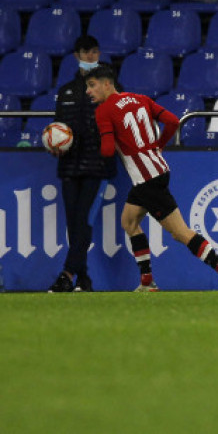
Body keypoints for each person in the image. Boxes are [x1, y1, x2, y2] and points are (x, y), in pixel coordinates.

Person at [85, 66, 218, 292]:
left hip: (146, 179)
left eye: (92, 85)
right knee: (129, 222)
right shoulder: (140, 99)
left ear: (107, 83)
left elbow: (108, 150)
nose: (89, 91)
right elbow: (173, 121)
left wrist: (93, 147)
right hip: (155, 172)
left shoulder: (103, 111)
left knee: (180, 233)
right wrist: (158, 146)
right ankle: (147, 282)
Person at [46, 36, 117, 293]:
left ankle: (66, 274)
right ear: (77, 55)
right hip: (68, 167)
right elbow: (58, 127)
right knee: (74, 224)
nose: (91, 56)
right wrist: (55, 144)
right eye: (86, 52)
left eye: (95, 51)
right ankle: (84, 280)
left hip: (97, 167)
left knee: (84, 220)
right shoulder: (66, 90)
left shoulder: (109, 86)